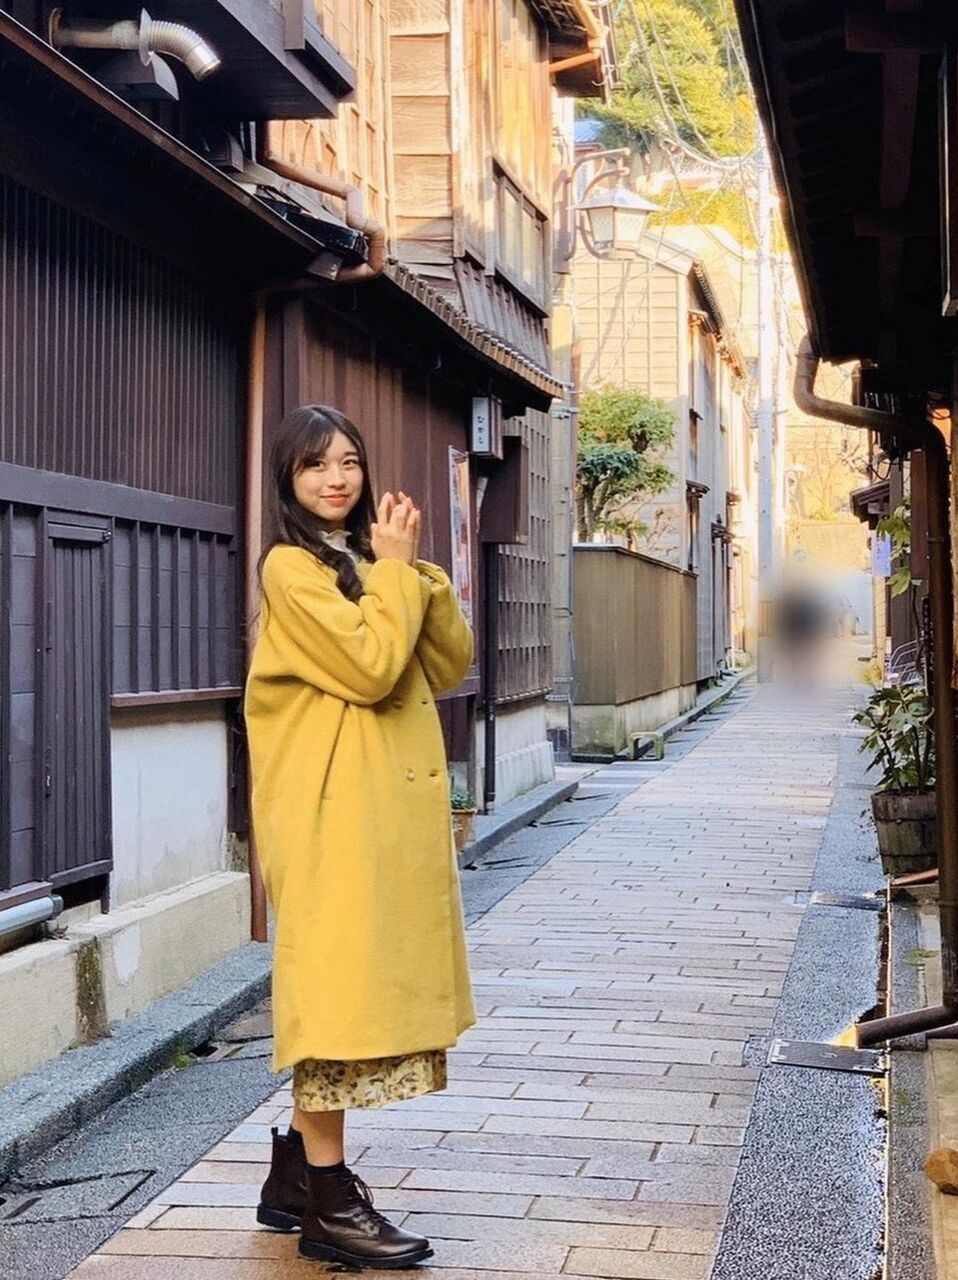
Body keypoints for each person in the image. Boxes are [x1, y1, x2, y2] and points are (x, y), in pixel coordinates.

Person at [244, 405, 476, 1268]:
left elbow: (445, 664)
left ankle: (293, 1181)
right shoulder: (290, 569)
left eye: (348, 461)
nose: (336, 478)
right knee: (333, 1005)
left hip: (373, 811)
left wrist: (413, 575)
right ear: (288, 480)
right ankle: (331, 1203)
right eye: (315, 465)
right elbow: (373, 668)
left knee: (346, 989)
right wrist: (394, 573)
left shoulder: (364, 564)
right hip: (331, 814)